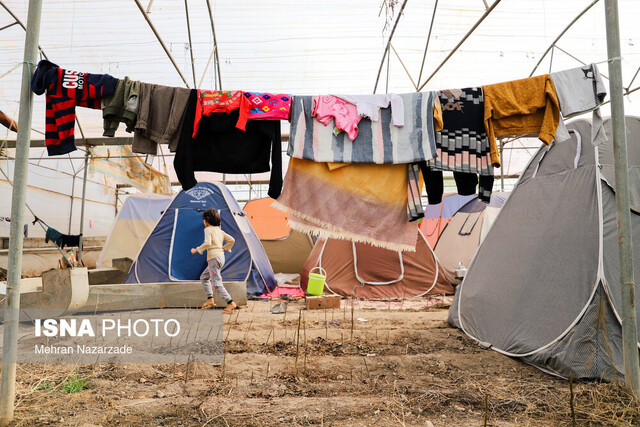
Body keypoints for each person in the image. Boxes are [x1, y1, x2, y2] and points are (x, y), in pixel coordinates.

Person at [190, 208, 238, 313]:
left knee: (216, 283)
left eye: (204, 220)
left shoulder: (208, 229)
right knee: (204, 277)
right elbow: (231, 240)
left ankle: (230, 302)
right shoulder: (219, 231)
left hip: (214, 258)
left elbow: (207, 243)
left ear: (207, 220)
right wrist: (225, 248)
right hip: (220, 258)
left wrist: (196, 250)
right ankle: (210, 299)